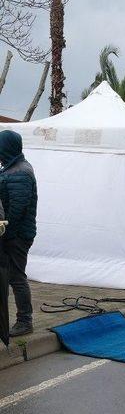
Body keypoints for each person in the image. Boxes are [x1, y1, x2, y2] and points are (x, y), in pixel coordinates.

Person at [0, 130, 38, 337]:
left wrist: (6, 233)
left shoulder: (21, 172)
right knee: (5, 277)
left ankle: (25, 321)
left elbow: (17, 209)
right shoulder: (12, 167)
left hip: (16, 235)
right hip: (10, 233)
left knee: (16, 277)